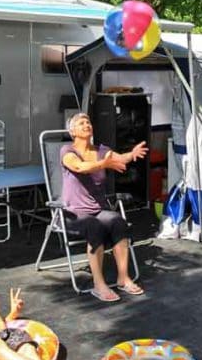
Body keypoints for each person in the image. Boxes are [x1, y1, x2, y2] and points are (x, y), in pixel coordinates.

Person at [60, 112, 147, 302]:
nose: (86, 124)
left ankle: (123, 278)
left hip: (98, 210)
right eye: (81, 123)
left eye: (88, 121)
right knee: (95, 226)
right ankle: (99, 285)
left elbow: (119, 158)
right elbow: (80, 168)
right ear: (72, 131)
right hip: (73, 213)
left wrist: (131, 155)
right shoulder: (68, 151)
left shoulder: (101, 150)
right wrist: (104, 163)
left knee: (118, 222)